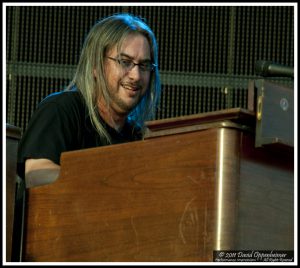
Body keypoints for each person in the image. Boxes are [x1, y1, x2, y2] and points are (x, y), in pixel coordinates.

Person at [17, 13, 161, 188]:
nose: (136, 76)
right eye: (125, 62)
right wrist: (110, 185)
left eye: (144, 65)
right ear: (96, 65)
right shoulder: (61, 109)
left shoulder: (137, 137)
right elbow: (37, 175)